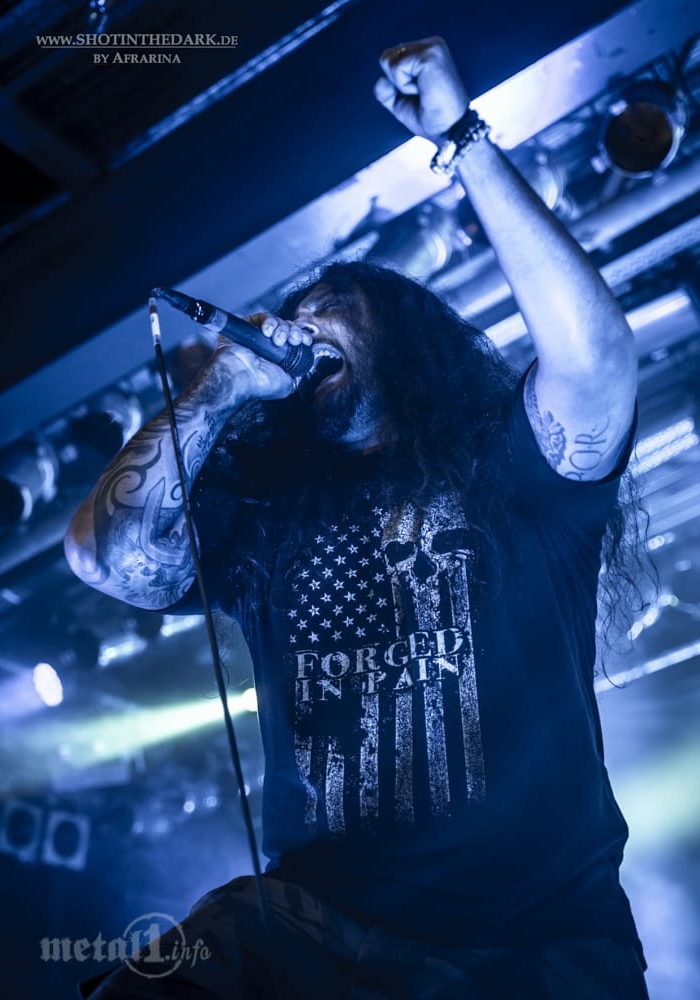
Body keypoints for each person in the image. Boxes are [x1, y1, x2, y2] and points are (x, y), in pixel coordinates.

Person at [65, 36, 649, 1000]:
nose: (301, 323)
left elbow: (595, 360)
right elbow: (105, 558)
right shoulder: (263, 522)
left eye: (330, 305)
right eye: (293, 310)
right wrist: (223, 386)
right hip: (322, 931)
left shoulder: (511, 470)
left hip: (531, 949)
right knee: (182, 963)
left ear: (404, 342)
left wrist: (462, 139)